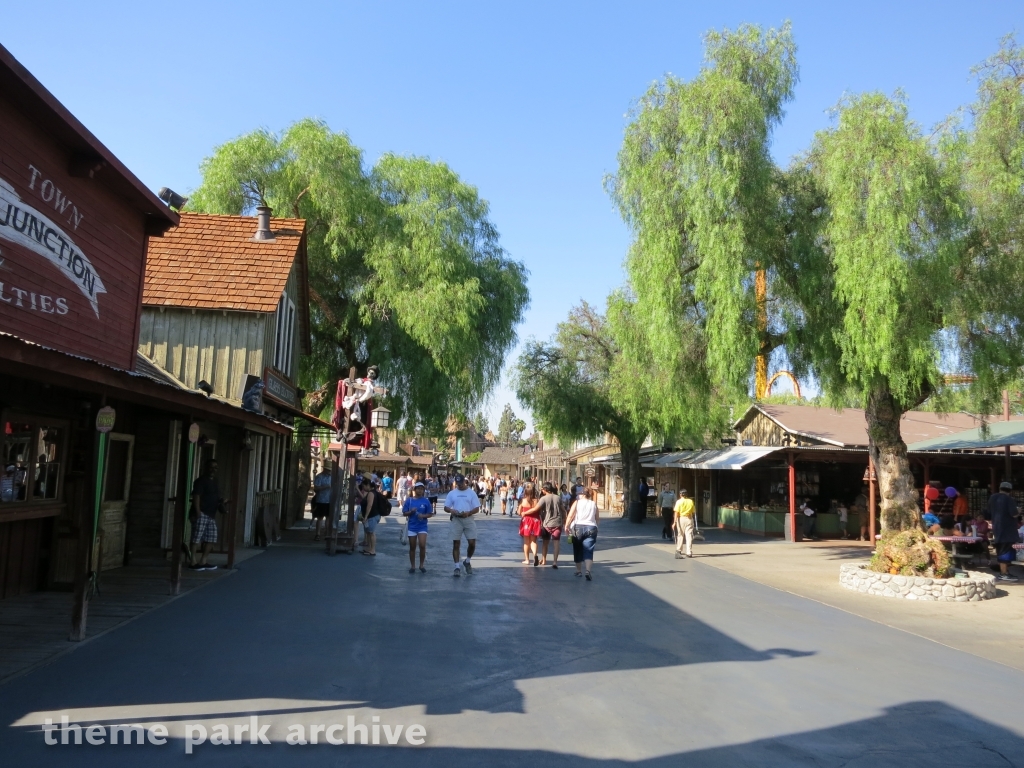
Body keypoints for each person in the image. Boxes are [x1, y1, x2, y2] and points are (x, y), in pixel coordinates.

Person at [189, 459, 223, 571]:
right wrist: (198, 511)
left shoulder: (215, 482)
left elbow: (215, 496)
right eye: (211, 467)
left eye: (215, 467)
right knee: (196, 538)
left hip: (211, 514)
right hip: (201, 513)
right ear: (206, 468)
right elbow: (196, 496)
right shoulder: (200, 481)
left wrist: (222, 501)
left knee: (211, 538)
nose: (213, 469)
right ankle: (193, 562)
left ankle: (203, 561)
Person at [444, 474, 480, 577]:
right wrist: (451, 510)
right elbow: (446, 507)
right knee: (456, 543)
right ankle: (457, 567)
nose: (459, 485)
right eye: (457, 483)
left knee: (472, 542)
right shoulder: (452, 493)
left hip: (468, 518)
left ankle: (467, 561)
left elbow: (477, 508)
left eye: (461, 483)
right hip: (456, 519)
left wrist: (469, 513)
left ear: (465, 481)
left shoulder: (471, 493)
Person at [987, 481, 1020, 582]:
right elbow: (1014, 514)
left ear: (1000, 488)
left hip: (997, 528)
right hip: (1008, 530)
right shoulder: (1009, 499)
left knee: (1001, 549)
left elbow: (987, 513)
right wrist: (1019, 511)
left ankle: (1005, 572)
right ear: (1010, 490)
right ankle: (1004, 573)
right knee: (1006, 551)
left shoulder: (992, 498)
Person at [566, 487, 600, 580]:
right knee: (589, 550)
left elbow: (570, 515)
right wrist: (596, 526)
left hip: (578, 527)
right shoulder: (594, 504)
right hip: (591, 528)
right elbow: (597, 517)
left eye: (579, 494)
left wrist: (566, 526)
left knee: (577, 549)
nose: (578, 496)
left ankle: (579, 571)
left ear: (583, 494)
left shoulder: (577, 503)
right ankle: (588, 571)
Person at [403, 481, 434, 573]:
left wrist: (423, 516)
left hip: (422, 526)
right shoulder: (409, 500)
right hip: (412, 526)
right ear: (414, 489)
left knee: (422, 545)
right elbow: (404, 513)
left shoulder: (426, 501)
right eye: (418, 489)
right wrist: (411, 512)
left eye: (422, 489)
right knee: (412, 547)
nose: (420, 491)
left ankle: (421, 565)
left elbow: (430, 514)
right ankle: (413, 566)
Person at [537, 482, 564, 567]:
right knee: (556, 543)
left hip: (547, 524)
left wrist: (525, 512)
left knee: (545, 543)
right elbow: (563, 510)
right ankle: (555, 562)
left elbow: (536, 509)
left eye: (542, 489)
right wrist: (565, 520)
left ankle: (544, 560)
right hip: (557, 523)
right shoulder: (558, 498)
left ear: (545, 490)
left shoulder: (543, 499)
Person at [518, 482, 542, 565]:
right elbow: (537, 510)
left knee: (526, 542)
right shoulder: (536, 501)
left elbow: (519, 512)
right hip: (535, 521)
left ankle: (527, 559)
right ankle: (535, 555)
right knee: (533, 541)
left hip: (526, 522)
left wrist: (522, 510)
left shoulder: (523, 501)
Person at [357, 478, 383, 556]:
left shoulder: (371, 493)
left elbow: (369, 505)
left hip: (372, 515)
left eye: (364, 486)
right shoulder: (373, 492)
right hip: (373, 515)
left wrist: (366, 517)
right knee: (369, 532)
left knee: (371, 533)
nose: (363, 488)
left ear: (368, 485)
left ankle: (372, 549)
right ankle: (370, 548)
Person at [311, 462, 332, 542]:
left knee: (328, 518)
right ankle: (318, 534)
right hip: (321, 500)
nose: (329, 471)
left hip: (330, 500)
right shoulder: (319, 477)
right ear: (325, 469)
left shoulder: (332, 477)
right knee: (320, 518)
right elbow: (316, 488)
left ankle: (327, 534)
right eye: (328, 470)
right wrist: (326, 486)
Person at [672, 488, 696, 558]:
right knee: (689, 535)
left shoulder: (679, 502)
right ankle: (689, 552)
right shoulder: (690, 501)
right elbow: (693, 511)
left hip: (681, 519)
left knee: (680, 535)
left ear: (680, 495)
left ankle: (679, 550)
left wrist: (674, 522)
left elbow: (676, 512)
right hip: (689, 518)